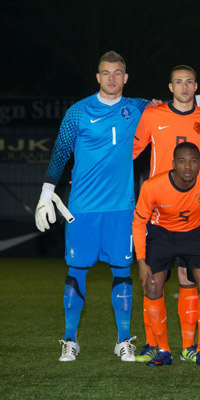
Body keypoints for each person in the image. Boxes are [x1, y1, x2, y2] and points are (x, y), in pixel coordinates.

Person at [34, 51, 148, 362]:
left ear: (126, 78)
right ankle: (70, 340)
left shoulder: (137, 108)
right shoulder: (78, 112)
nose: (112, 78)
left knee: (122, 272)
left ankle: (124, 341)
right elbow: (60, 152)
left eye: (118, 73)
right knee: (76, 272)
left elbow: (179, 103)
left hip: (120, 209)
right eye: (106, 73)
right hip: (82, 208)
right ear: (97, 77)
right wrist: (46, 194)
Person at [132, 65, 200, 363]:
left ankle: (190, 345)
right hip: (160, 209)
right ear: (170, 87)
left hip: (194, 210)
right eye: (178, 82)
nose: (184, 87)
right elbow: (131, 151)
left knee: (189, 279)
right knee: (153, 282)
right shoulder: (154, 115)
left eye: (189, 82)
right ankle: (152, 343)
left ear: (197, 86)